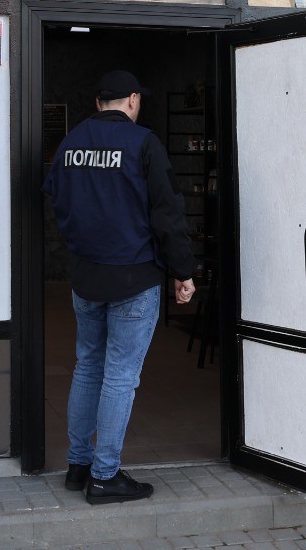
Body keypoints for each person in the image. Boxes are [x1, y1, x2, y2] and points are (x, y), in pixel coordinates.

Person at [43, 69, 196, 504]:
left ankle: (78, 465)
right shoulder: (143, 143)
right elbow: (167, 214)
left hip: (86, 276)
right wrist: (183, 271)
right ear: (133, 100)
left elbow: (57, 200)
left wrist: (79, 246)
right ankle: (104, 475)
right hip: (134, 277)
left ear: (97, 103)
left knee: (88, 367)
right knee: (120, 375)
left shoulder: (71, 143)